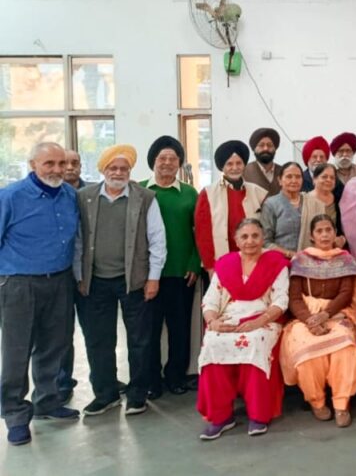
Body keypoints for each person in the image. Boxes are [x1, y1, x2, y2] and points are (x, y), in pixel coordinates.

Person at [75, 144, 167, 417]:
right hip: (94, 281)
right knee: (98, 340)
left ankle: (137, 395)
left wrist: (153, 278)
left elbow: (157, 240)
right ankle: (105, 394)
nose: (118, 172)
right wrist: (79, 276)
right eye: (113, 168)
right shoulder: (84, 197)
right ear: (103, 170)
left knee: (140, 341)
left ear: (130, 171)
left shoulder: (145, 198)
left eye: (123, 168)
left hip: (134, 281)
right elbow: (77, 240)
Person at [0, 142, 80, 446]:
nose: (58, 170)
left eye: (62, 163)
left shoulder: (69, 195)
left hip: (59, 280)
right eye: (49, 164)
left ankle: (47, 400)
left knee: (54, 345)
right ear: (32, 164)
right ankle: (15, 415)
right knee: (17, 350)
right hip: (19, 284)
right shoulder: (10, 196)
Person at [196, 219, 288, 440]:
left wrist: (260, 321)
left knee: (255, 341)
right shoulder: (225, 264)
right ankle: (221, 417)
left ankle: (258, 415)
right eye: (244, 236)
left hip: (264, 319)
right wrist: (213, 321)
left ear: (263, 238)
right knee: (213, 342)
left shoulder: (276, 263)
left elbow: (281, 299)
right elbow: (210, 300)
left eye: (255, 236)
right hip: (229, 318)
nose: (250, 241)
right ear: (236, 240)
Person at [281, 215, 356, 428]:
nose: (325, 235)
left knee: (346, 349)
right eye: (319, 231)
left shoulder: (345, 259)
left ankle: (341, 403)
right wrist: (310, 320)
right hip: (305, 317)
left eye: (328, 230)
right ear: (312, 236)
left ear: (335, 233)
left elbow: (346, 293)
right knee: (307, 352)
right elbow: (294, 298)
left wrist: (325, 315)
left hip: (337, 314)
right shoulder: (300, 260)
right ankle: (317, 401)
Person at [139, 136, 201, 398]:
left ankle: (176, 376)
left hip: (181, 272)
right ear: (153, 161)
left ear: (179, 163)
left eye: (172, 159)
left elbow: (199, 231)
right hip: (147, 275)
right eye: (162, 158)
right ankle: (151, 380)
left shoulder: (189, 193)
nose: (167, 163)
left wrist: (194, 262)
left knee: (179, 329)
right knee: (149, 331)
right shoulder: (140, 190)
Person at [195, 140, 269, 273]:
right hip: (220, 262)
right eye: (229, 164)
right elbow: (203, 234)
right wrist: (210, 266)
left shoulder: (258, 192)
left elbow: (266, 230)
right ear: (222, 167)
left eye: (239, 163)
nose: (235, 168)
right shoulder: (208, 193)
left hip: (253, 261)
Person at [58, 148, 91, 403]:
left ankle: (104, 378)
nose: (70, 167)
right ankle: (61, 382)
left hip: (90, 274)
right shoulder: (51, 194)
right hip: (59, 273)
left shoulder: (93, 193)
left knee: (96, 331)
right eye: (64, 163)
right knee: (60, 332)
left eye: (75, 163)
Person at [259, 162, 305, 259]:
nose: (294, 180)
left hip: (309, 260)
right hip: (281, 260)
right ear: (280, 180)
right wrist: (289, 254)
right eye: (289, 176)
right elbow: (265, 241)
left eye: (298, 177)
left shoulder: (310, 202)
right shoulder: (271, 204)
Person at [299, 163, 346, 252]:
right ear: (314, 179)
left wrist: (342, 239)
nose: (328, 180)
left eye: (332, 178)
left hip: (332, 251)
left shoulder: (339, 200)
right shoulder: (303, 200)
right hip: (307, 251)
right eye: (324, 177)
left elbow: (343, 228)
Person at [300, 136, 342, 202]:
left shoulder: (335, 181)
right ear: (307, 159)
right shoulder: (299, 179)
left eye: (322, 157)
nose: (318, 160)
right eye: (314, 157)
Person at [243, 128, 284, 196]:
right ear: (254, 149)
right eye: (261, 145)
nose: (266, 148)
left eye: (270, 145)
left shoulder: (284, 172)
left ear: (275, 148)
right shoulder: (244, 172)